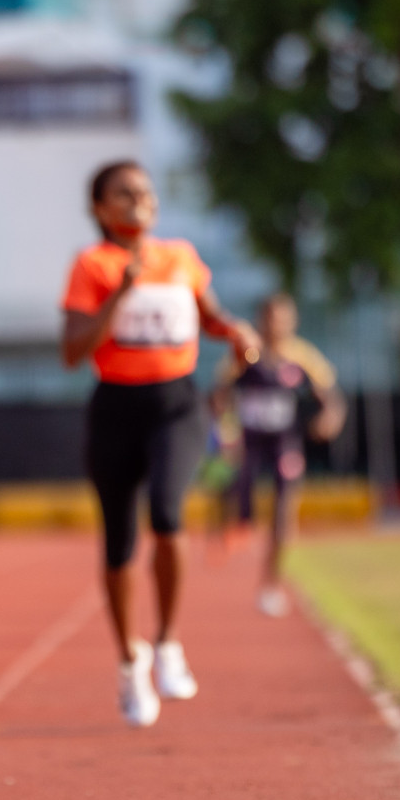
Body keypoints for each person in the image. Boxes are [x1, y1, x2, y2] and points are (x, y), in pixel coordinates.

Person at [60, 161, 259, 728]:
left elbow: (211, 316)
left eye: (144, 192)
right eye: (123, 194)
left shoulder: (181, 257)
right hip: (115, 409)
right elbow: (73, 350)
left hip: (177, 406)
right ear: (100, 208)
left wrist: (236, 332)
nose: (138, 201)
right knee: (120, 541)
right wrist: (118, 294)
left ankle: (168, 642)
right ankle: (129, 662)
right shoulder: (91, 265)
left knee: (168, 514)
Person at [213, 294, 344, 617]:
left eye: (283, 318)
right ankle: (231, 532)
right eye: (270, 318)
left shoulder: (303, 356)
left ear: (292, 321)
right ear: (261, 320)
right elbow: (219, 397)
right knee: (236, 502)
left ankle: (270, 584)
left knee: (284, 513)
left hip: (284, 443)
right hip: (248, 444)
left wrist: (330, 418)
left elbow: (330, 397)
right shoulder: (246, 354)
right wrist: (225, 430)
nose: (276, 325)